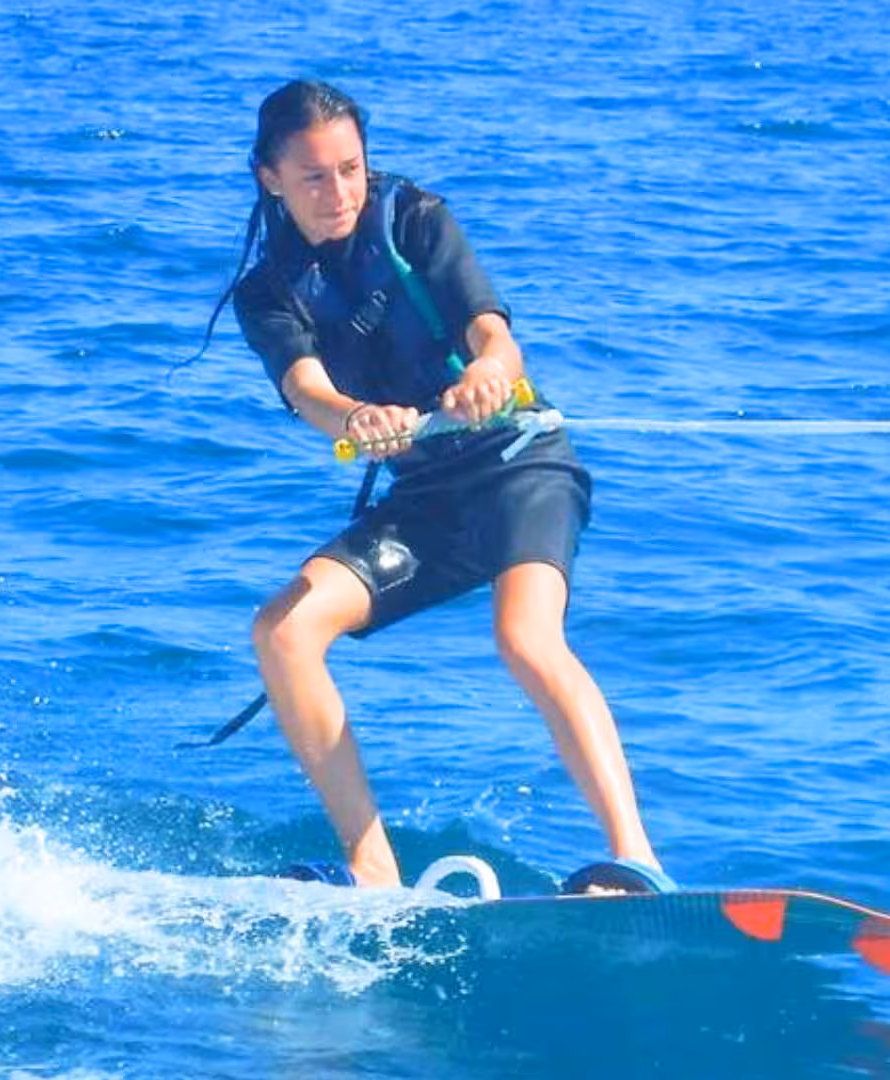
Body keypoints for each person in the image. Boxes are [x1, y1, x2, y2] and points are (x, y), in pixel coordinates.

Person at [201, 78, 670, 894]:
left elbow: (494, 333)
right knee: (283, 632)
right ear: (269, 177)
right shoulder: (266, 291)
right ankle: (371, 867)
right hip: (427, 499)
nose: (339, 192)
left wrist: (491, 371)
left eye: (351, 168)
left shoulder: (413, 218)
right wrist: (354, 418)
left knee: (526, 638)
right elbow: (307, 389)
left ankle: (635, 863)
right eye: (314, 176)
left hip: (520, 464)